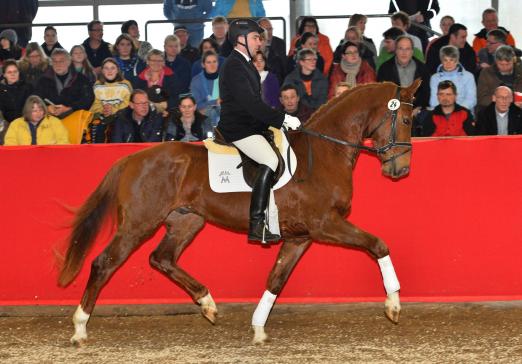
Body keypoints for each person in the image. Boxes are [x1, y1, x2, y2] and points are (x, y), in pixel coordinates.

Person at [216, 19, 301, 243]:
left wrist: (271, 125)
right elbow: (250, 105)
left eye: (259, 38)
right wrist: (281, 118)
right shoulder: (234, 65)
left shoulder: (245, 63)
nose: (259, 43)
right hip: (238, 128)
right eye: (255, 38)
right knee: (270, 160)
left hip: (251, 126)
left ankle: (272, 221)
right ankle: (256, 224)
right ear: (240, 40)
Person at [377, 35, 430, 133]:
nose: (404, 52)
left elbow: (426, 93)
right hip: (392, 112)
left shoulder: (423, 69)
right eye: (401, 48)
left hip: (416, 112)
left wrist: (416, 109)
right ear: (395, 50)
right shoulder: (384, 69)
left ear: (412, 51)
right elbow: (381, 95)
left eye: (407, 49)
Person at [35, 48, 95, 119]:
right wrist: (47, 108)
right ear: (51, 63)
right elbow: (36, 99)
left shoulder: (81, 79)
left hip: (75, 118)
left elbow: (88, 98)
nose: (58, 64)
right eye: (55, 61)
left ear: (69, 62)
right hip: (50, 119)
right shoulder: (43, 80)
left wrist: (69, 108)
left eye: (61, 61)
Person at [4, 95, 69, 146]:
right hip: (24, 159)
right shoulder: (16, 124)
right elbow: (9, 145)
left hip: (49, 158)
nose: (38, 113)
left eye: (41, 110)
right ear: (28, 111)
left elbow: (64, 142)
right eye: (34, 111)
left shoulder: (54, 122)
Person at [429, 45, 476, 112]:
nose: (448, 63)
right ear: (441, 61)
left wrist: (456, 112)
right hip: (441, 114)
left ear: (457, 61)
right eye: (445, 60)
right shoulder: (435, 78)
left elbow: (471, 99)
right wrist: (445, 112)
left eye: (451, 60)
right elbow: (433, 101)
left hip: (463, 113)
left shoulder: (468, 77)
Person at [134, 49, 181, 115]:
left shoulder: (171, 76)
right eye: (153, 60)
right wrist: (155, 106)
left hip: (168, 111)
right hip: (145, 112)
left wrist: (166, 105)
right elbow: (137, 98)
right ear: (148, 61)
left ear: (164, 62)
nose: (156, 63)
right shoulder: (140, 78)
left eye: (159, 61)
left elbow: (176, 98)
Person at [477, 45, 522, 110]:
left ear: (514, 61)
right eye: (501, 64)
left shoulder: (520, 72)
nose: (504, 67)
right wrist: (501, 101)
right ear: (496, 61)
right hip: (492, 110)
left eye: (508, 64)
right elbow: (481, 99)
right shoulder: (486, 73)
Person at [190, 50, 221, 126]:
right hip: (204, 115)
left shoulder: (224, 78)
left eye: (214, 62)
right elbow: (197, 105)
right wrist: (215, 102)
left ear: (218, 63)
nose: (212, 65)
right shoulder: (196, 81)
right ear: (203, 65)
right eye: (209, 62)